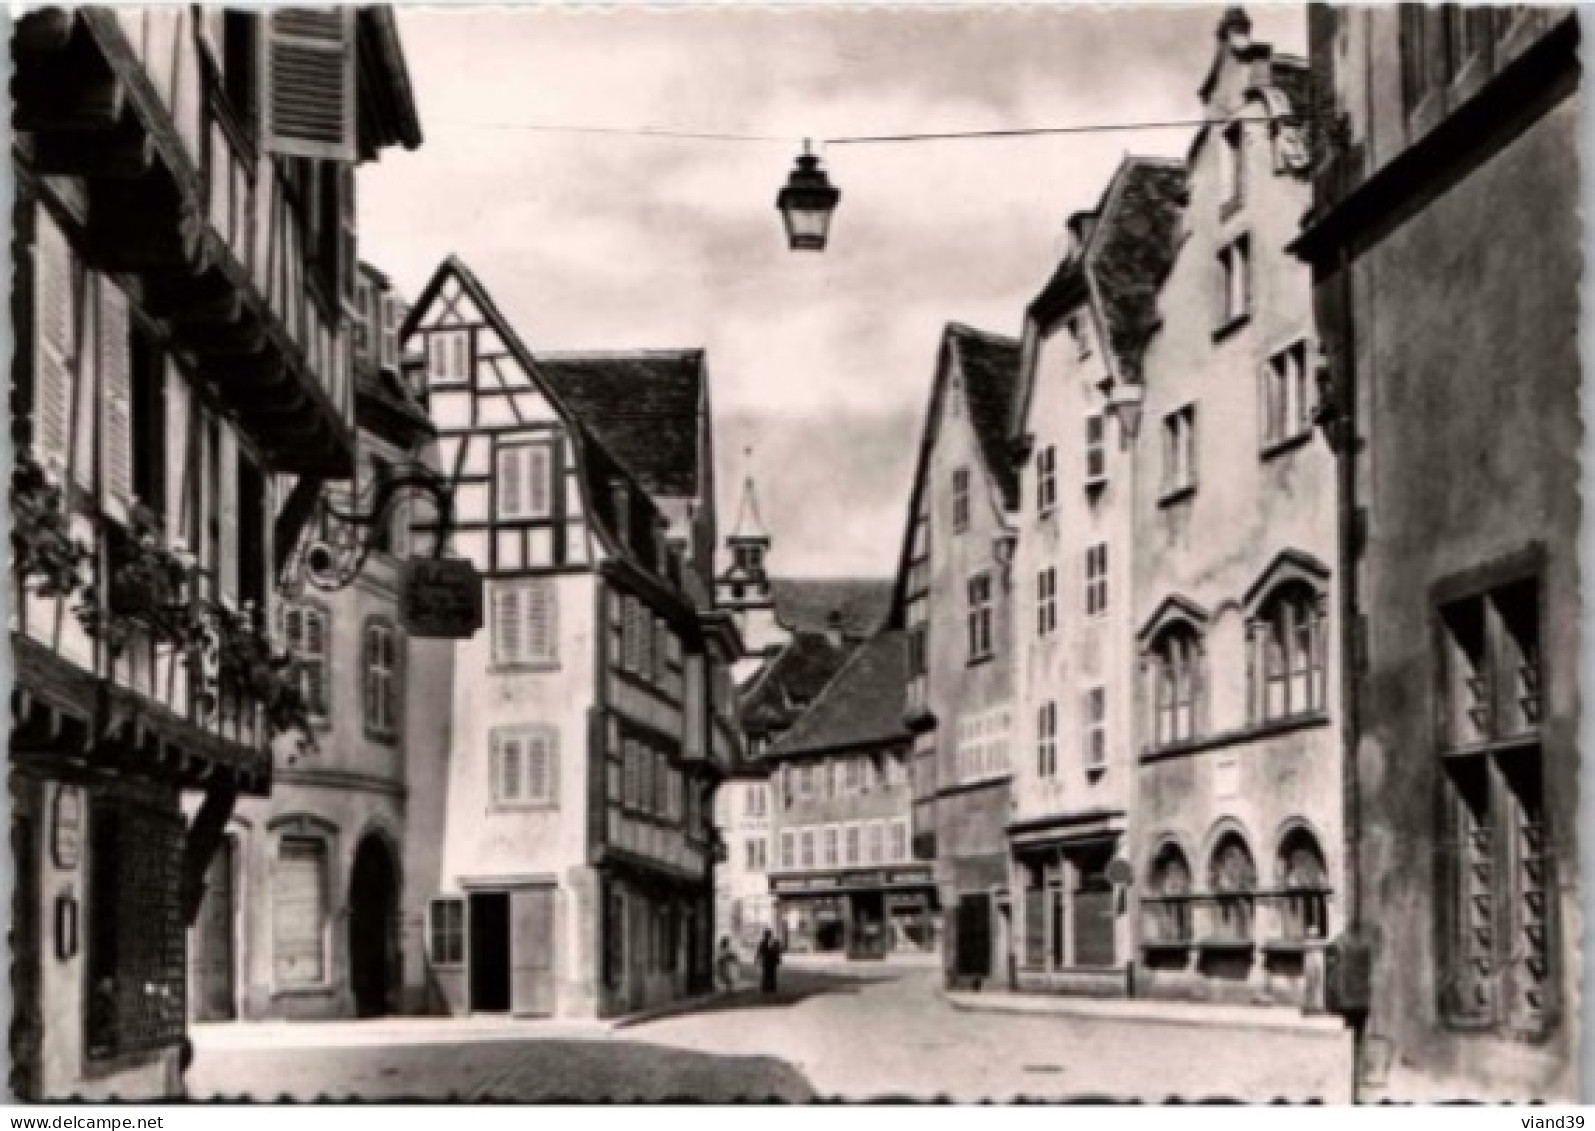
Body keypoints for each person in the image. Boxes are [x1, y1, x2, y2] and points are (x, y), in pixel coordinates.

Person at [755, 928, 782, 995]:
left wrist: (778, 958)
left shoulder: (774, 942)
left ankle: (771, 987)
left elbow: (778, 951)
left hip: (771, 961)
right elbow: (759, 951)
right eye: (767, 935)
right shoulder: (764, 942)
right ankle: (767, 987)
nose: (767, 936)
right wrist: (757, 958)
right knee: (767, 974)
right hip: (767, 960)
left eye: (768, 934)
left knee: (771, 974)